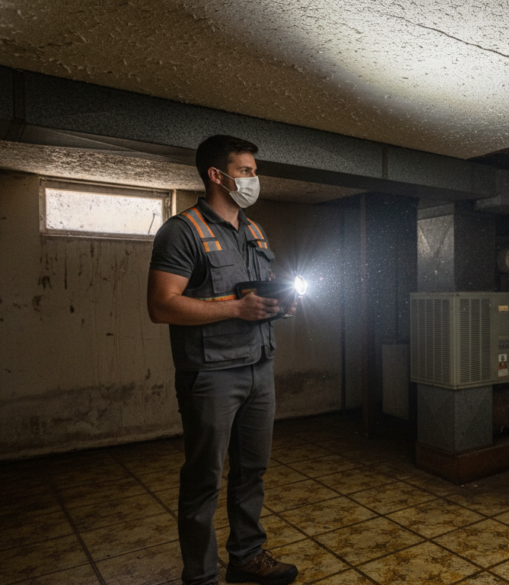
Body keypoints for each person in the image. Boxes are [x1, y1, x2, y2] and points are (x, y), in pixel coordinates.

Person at [147, 135, 298, 585]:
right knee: (204, 480)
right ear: (218, 175)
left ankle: (247, 557)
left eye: (254, 171)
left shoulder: (254, 230)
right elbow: (161, 306)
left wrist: (278, 304)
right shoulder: (182, 231)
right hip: (211, 375)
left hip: (259, 366)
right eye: (247, 171)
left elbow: (256, 291)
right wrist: (235, 308)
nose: (254, 179)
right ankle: (201, 577)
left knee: (252, 470)